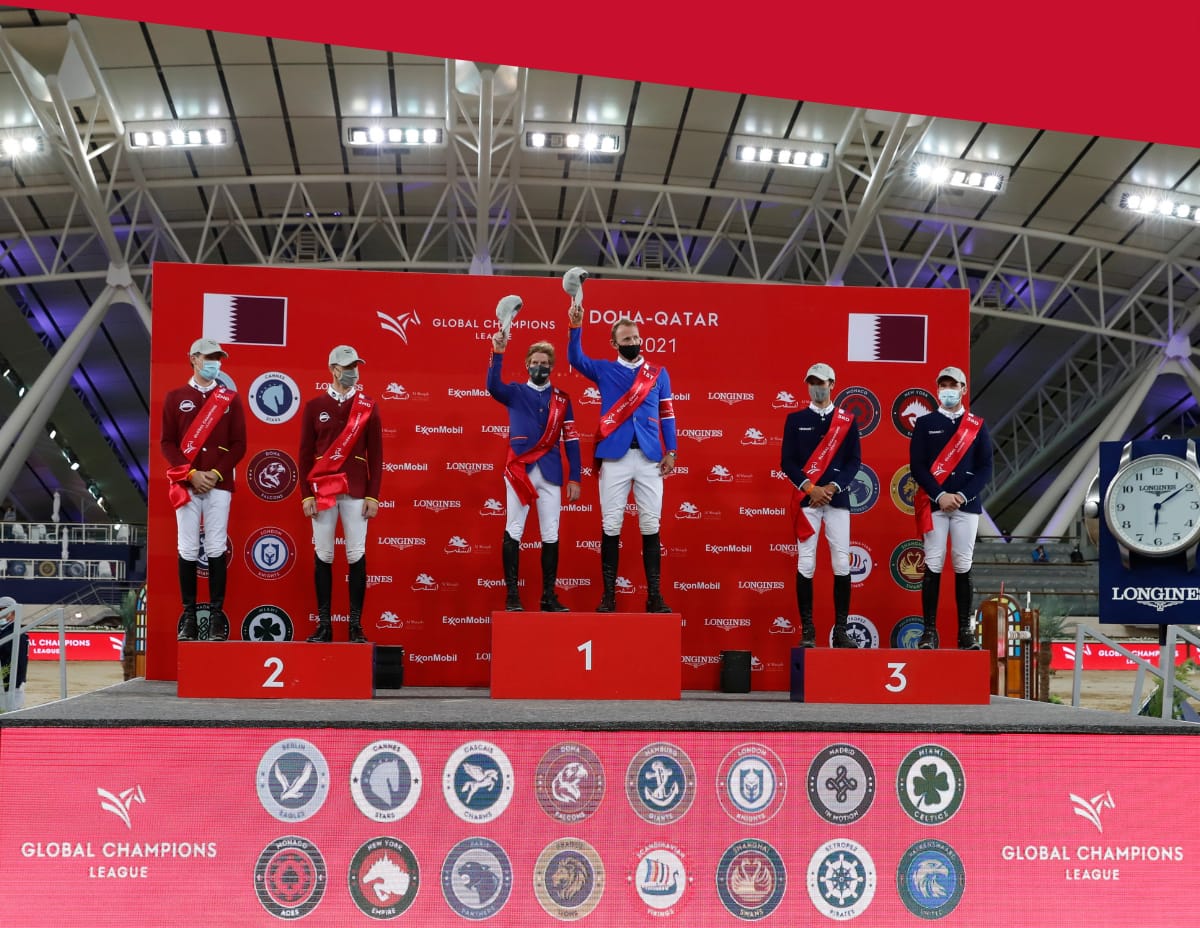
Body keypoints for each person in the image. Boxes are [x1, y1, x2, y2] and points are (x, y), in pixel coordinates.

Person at [567, 305, 678, 613]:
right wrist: (575, 327)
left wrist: (671, 451)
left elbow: (668, 415)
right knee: (611, 524)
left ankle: (654, 596)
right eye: (627, 339)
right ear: (614, 343)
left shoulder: (658, 373)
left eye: (636, 337)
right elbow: (575, 359)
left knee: (650, 524)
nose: (633, 342)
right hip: (615, 458)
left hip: (650, 458)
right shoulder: (604, 370)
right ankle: (609, 597)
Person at [487, 329, 583, 611]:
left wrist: (575, 477)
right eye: (535, 362)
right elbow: (492, 385)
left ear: (551, 367)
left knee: (550, 533)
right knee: (514, 529)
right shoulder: (514, 392)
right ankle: (512, 596)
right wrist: (498, 352)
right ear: (527, 364)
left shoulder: (563, 399)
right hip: (520, 469)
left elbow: (572, 441)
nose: (539, 366)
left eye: (544, 363)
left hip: (551, 473)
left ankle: (548, 597)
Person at [161, 337, 247, 641]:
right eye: (210, 357)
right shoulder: (175, 397)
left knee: (215, 547)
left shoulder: (230, 399)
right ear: (194, 359)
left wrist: (216, 473)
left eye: (218, 358)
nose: (215, 363)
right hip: (187, 482)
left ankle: (216, 617)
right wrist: (191, 473)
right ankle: (188, 616)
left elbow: (239, 444)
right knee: (187, 547)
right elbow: (167, 443)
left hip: (218, 483)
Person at [299, 345, 383, 643]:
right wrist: (306, 495)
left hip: (357, 490)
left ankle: (355, 626)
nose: (353, 372)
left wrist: (373, 496)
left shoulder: (368, 406)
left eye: (356, 366)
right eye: (348, 367)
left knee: (356, 554)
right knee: (324, 554)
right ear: (333, 369)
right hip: (323, 490)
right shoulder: (314, 406)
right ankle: (325, 625)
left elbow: (376, 456)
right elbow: (304, 455)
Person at [909, 366, 993, 650]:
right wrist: (940, 494)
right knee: (933, 563)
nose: (947, 390)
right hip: (935, 504)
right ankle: (929, 632)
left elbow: (985, 467)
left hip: (966, 507)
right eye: (943, 385)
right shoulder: (925, 423)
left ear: (963, 389)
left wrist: (962, 495)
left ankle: (964, 632)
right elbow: (917, 466)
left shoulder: (977, 425)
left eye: (953, 385)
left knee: (963, 565)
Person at [780, 363, 862, 648]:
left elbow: (854, 461)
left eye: (821, 382)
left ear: (832, 384)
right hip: (807, 499)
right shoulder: (795, 419)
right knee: (806, 561)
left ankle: (841, 631)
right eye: (812, 382)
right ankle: (808, 630)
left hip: (837, 499)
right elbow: (787, 461)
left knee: (841, 561)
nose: (817, 387)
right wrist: (810, 488)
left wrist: (833, 487)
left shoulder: (847, 421)